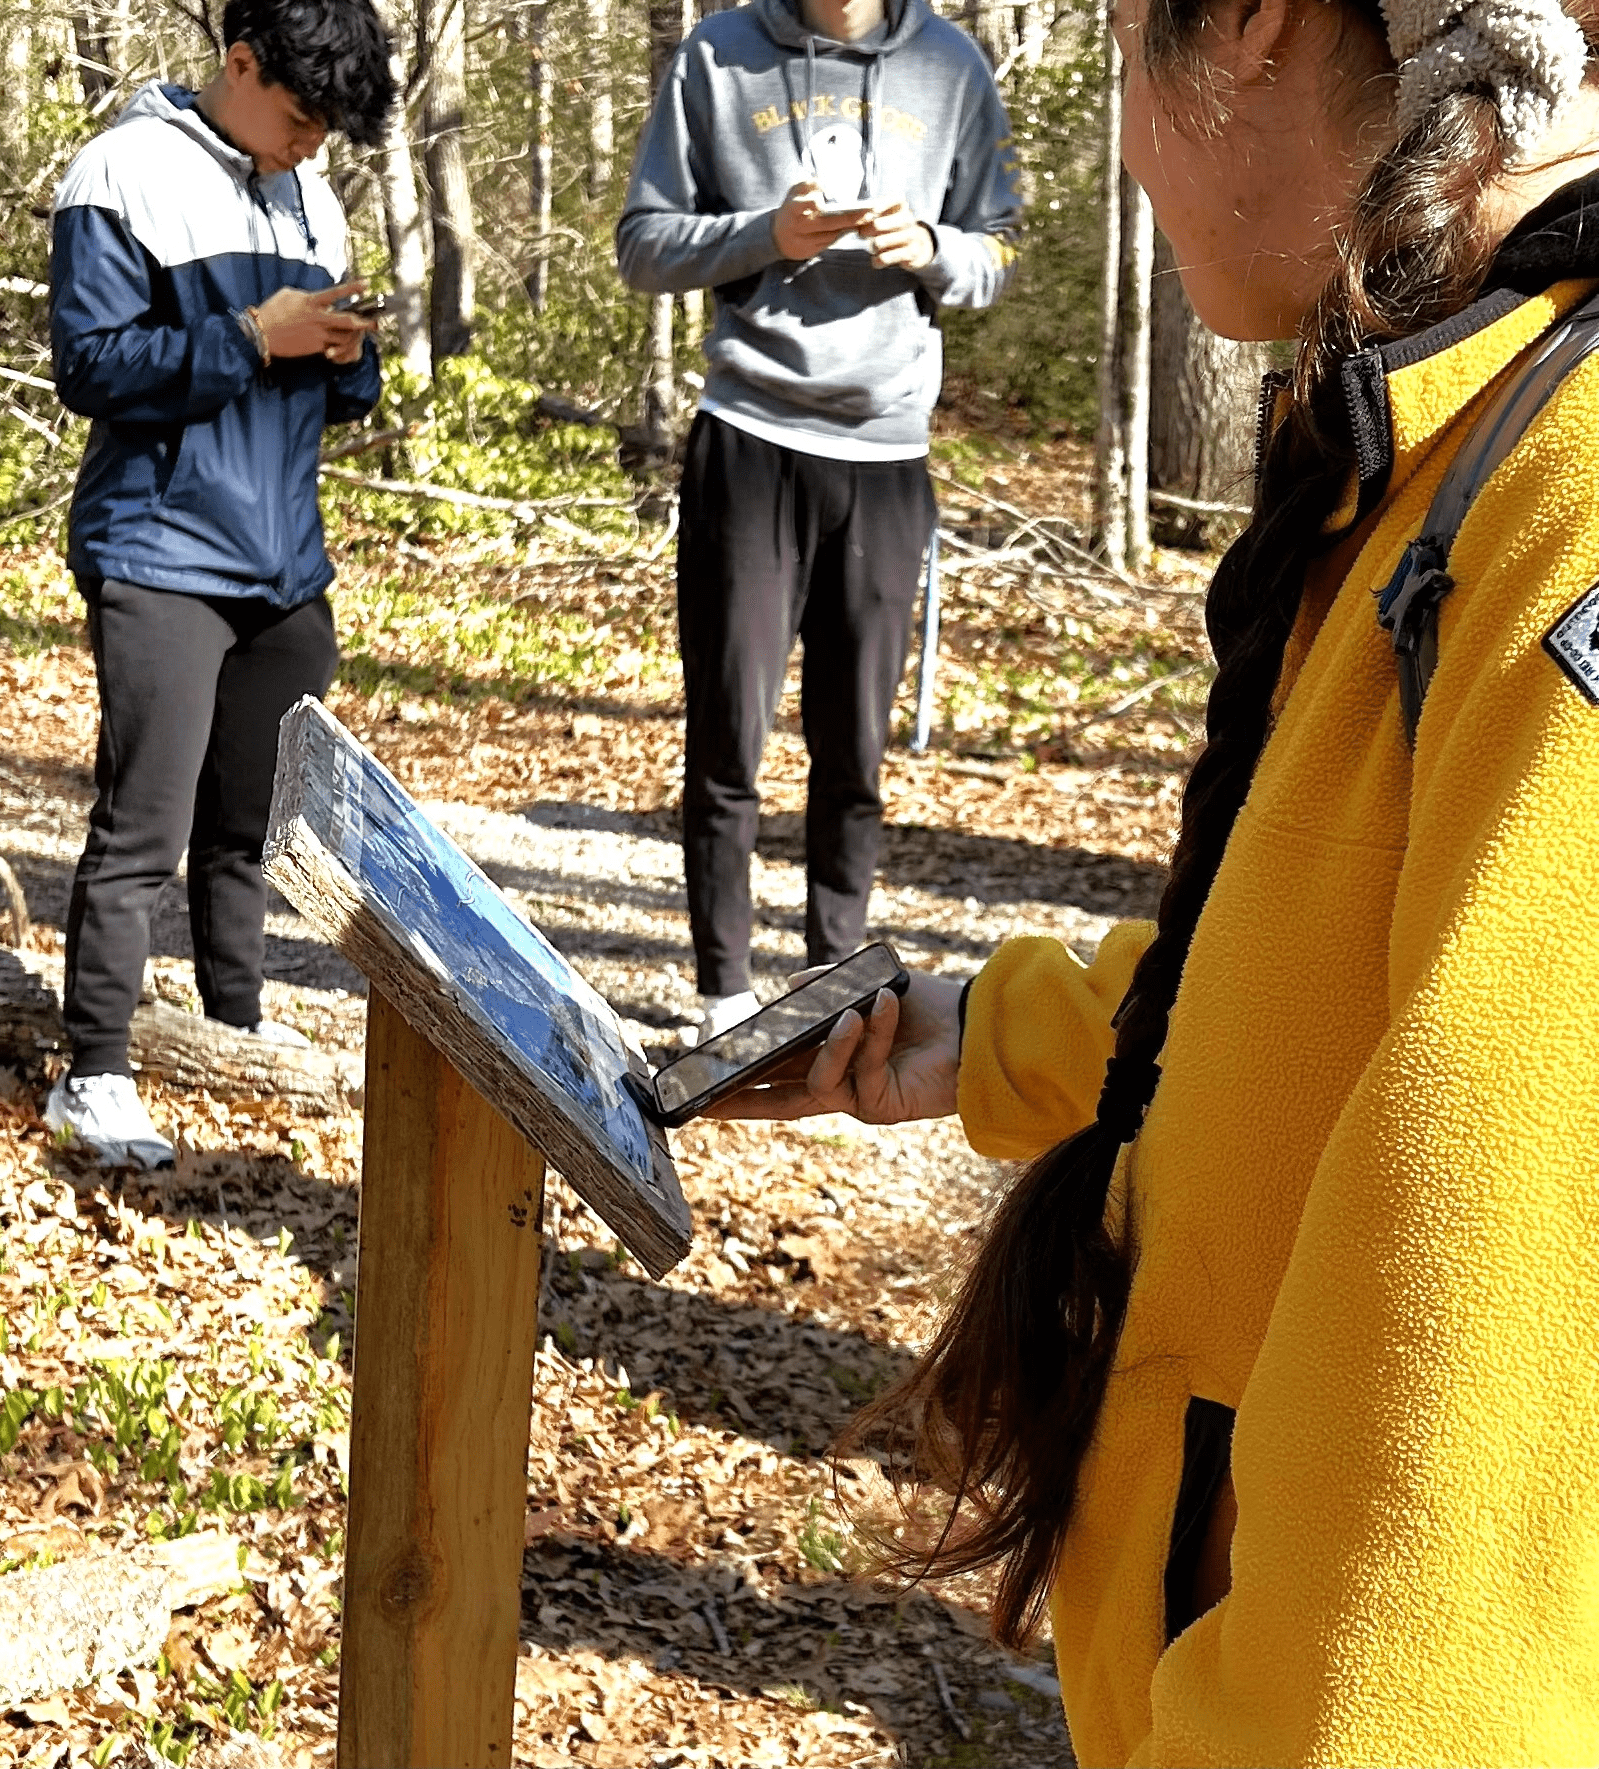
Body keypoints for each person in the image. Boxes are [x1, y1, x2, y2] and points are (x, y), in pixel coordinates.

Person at [716, 0, 1599, 1759]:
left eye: (1126, 45)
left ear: (1253, 30)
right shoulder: (1465, 411)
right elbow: (1324, 968)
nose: (1125, 142)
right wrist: (985, 1038)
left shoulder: (1568, 481)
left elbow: (1489, 1336)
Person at [616, 0, 1020, 1044]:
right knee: (728, 733)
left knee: (854, 749)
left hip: (885, 457)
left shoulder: (948, 66)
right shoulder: (717, 56)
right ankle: (721, 992)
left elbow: (998, 253)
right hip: (746, 437)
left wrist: (931, 244)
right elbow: (642, 244)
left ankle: (833, 979)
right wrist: (764, 236)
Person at [43, 0, 394, 1168]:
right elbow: (89, 367)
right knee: (143, 823)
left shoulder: (312, 193)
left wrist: (346, 357)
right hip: (158, 552)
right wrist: (251, 333)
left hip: (284, 563)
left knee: (247, 827)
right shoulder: (122, 170)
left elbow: (337, 390)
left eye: (328, 129)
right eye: (300, 117)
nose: (311, 145)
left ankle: (231, 1023)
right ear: (238, 64)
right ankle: (91, 1073)